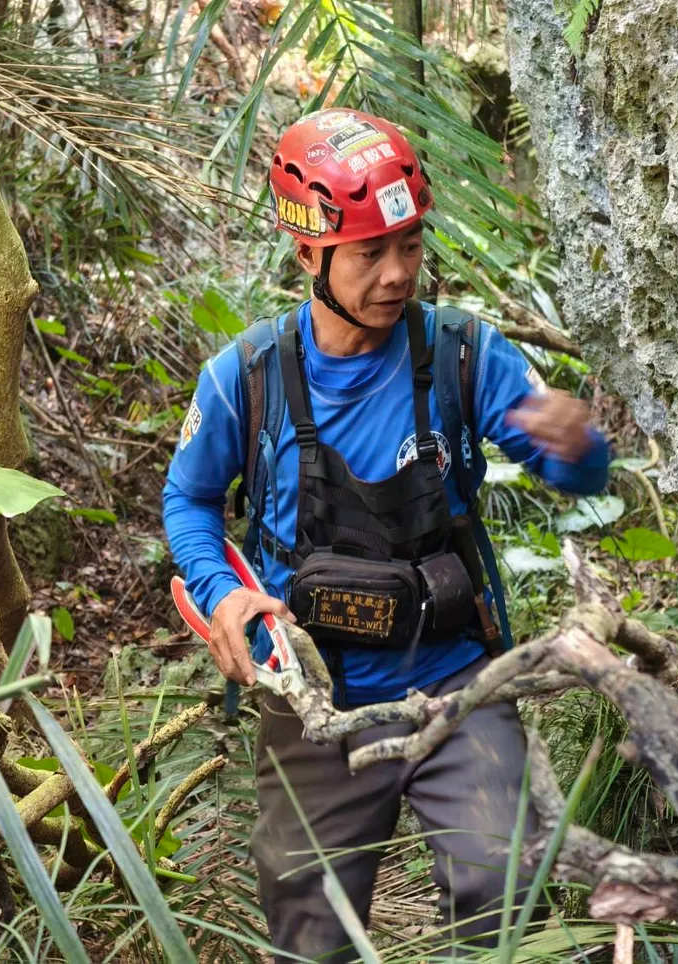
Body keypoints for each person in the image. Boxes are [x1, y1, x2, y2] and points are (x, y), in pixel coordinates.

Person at [161, 108, 611, 962]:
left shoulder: (464, 356)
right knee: (310, 925)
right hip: (313, 694)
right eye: (371, 253)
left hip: (455, 683)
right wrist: (226, 597)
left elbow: (573, 473)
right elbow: (188, 502)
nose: (399, 272)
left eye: (409, 244)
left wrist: (578, 445)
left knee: (498, 888)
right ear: (308, 256)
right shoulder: (245, 379)